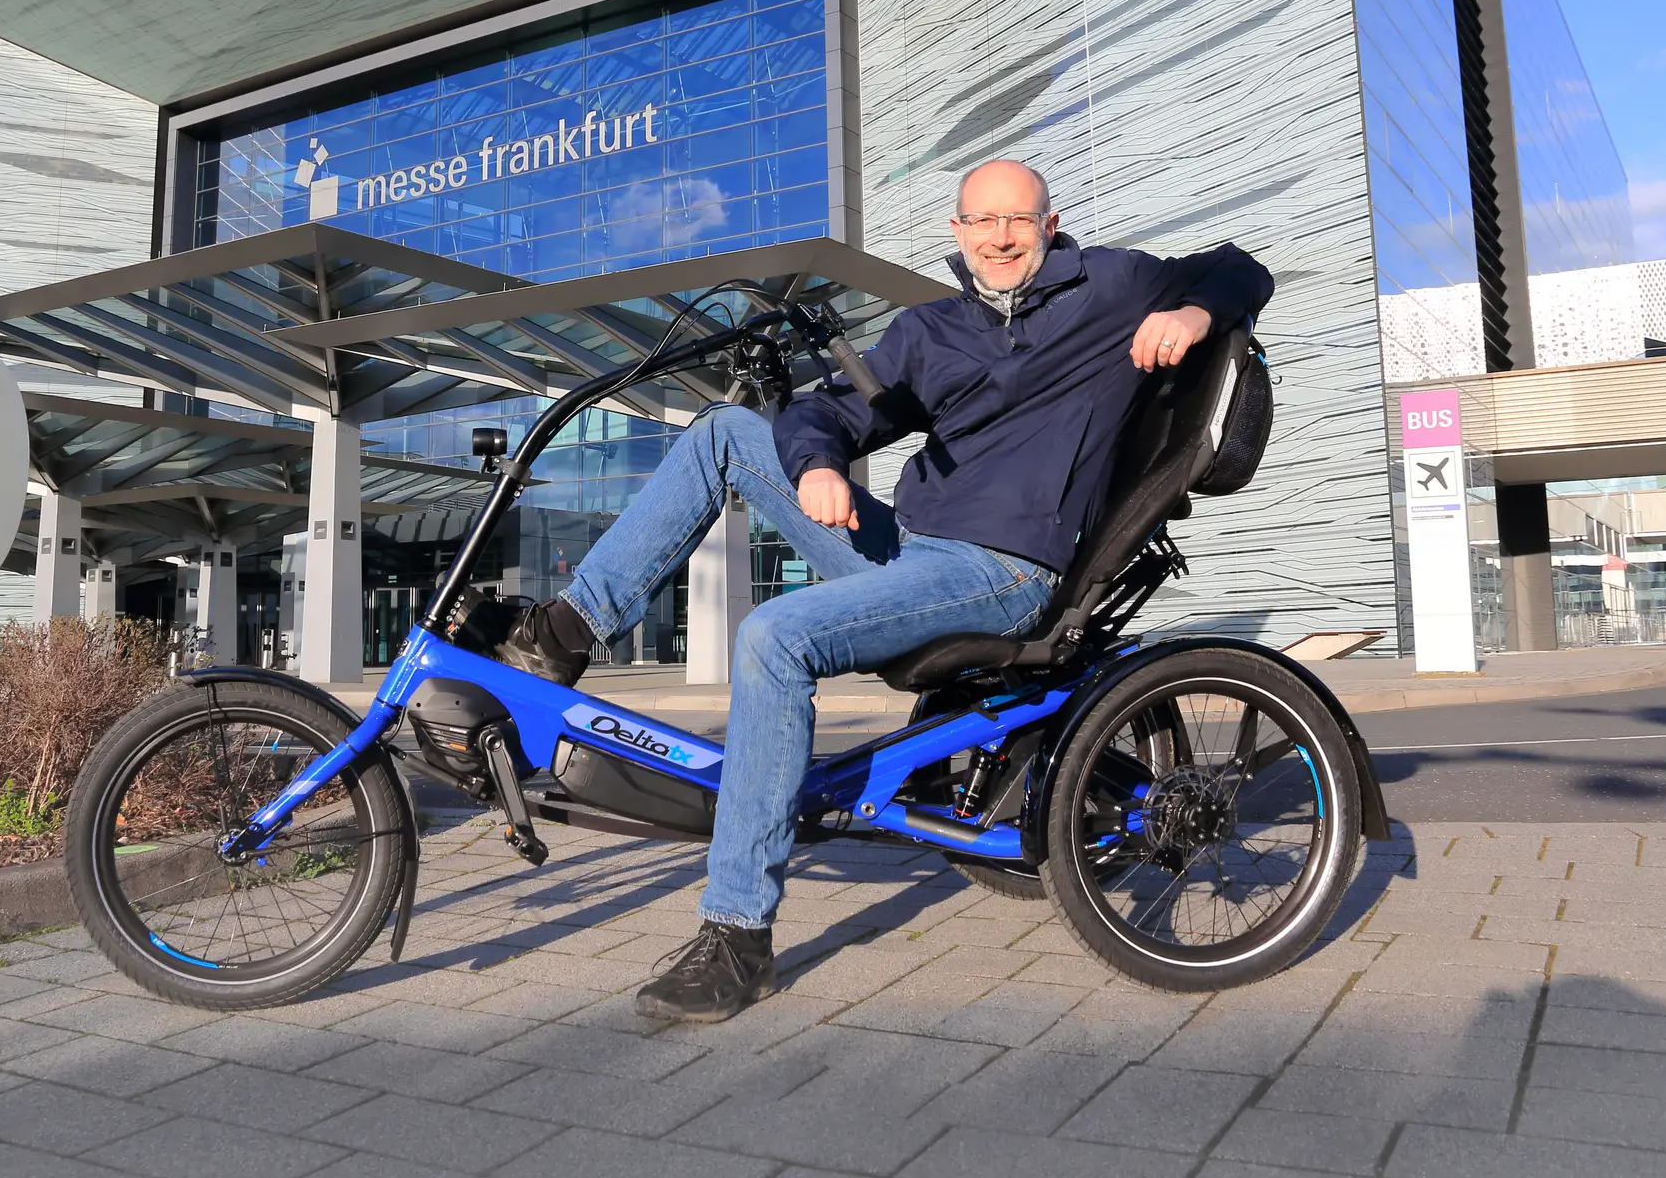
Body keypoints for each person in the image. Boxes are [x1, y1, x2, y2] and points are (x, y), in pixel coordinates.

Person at [489, 159, 1274, 1022]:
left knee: (773, 637)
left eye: (1017, 220)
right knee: (726, 432)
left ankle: (738, 935)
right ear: (958, 232)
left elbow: (1241, 264)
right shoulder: (930, 331)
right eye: (982, 222)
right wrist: (817, 462)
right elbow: (827, 412)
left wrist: (1193, 311)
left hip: (1002, 568)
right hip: (911, 551)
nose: (1001, 237)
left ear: (1049, 224)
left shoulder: (1114, 287)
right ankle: (564, 632)